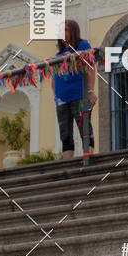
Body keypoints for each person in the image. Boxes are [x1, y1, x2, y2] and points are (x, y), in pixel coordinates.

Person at [53, 19, 96, 159]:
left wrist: (90, 90)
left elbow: (90, 68)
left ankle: (87, 157)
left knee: (83, 126)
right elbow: (54, 78)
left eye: (66, 30)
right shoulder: (58, 55)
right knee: (64, 132)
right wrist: (56, 95)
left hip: (79, 93)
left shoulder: (82, 45)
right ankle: (67, 162)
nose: (63, 33)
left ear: (73, 31)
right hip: (61, 98)